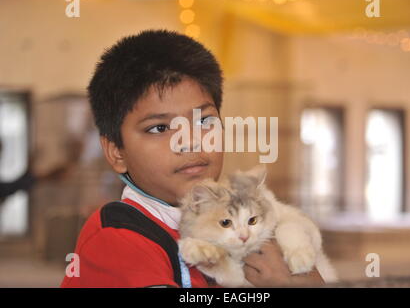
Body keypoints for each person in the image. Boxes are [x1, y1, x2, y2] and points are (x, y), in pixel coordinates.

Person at [60, 30, 324, 288]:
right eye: (160, 128)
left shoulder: (237, 223)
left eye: (204, 120)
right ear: (117, 152)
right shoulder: (116, 240)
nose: (190, 140)